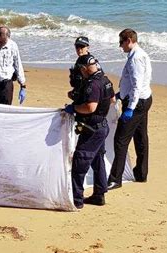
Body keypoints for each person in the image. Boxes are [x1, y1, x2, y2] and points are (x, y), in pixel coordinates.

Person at [63, 54, 115, 209]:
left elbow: (90, 107)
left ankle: (76, 200)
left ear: (84, 68)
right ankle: (99, 194)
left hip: (91, 129)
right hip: (102, 126)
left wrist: (74, 108)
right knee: (98, 161)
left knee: (80, 162)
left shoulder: (93, 85)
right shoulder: (106, 80)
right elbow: (112, 100)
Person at [107, 28, 153, 190]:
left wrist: (130, 108)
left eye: (121, 42)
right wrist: (121, 94)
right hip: (143, 99)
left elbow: (136, 85)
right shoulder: (139, 54)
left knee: (120, 140)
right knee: (141, 138)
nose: (120, 46)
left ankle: (115, 179)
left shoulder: (136, 58)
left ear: (129, 40)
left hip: (137, 102)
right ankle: (141, 173)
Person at [68, 36, 103, 105]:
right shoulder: (80, 60)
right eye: (77, 46)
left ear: (88, 47)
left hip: (89, 98)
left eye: (82, 46)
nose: (79, 49)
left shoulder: (90, 62)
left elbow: (98, 81)